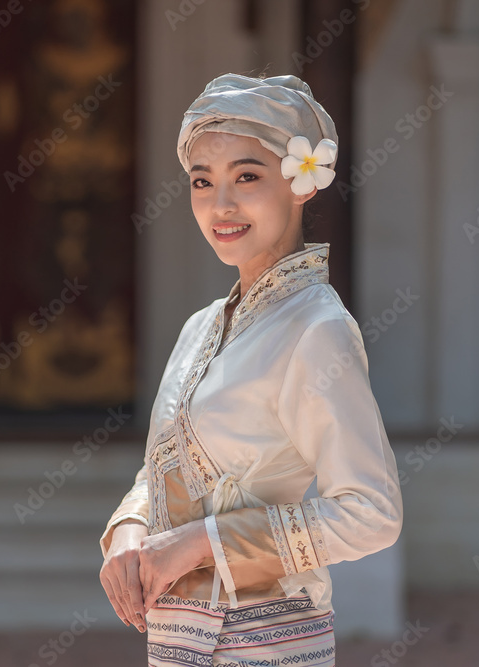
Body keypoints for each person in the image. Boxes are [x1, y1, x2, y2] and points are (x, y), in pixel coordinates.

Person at [98, 72, 403, 666]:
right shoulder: (201, 328)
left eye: (247, 176)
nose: (221, 204)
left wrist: (201, 543)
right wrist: (129, 533)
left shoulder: (318, 329)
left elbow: (373, 514)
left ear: (301, 184)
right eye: (202, 182)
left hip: (268, 643)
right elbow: (163, 465)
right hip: (177, 641)